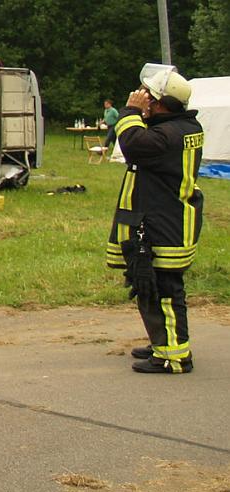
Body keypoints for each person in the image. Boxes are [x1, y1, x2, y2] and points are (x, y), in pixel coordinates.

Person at [105, 65, 203, 374]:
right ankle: (162, 341)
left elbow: (133, 144)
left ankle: (174, 356)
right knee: (150, 284)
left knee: (164, 289)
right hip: (169, 221)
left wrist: (130, 111)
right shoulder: (183, 127)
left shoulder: (165, 136)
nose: (142, 97)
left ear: (159, 103)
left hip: (165, 227)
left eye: (147, 95)